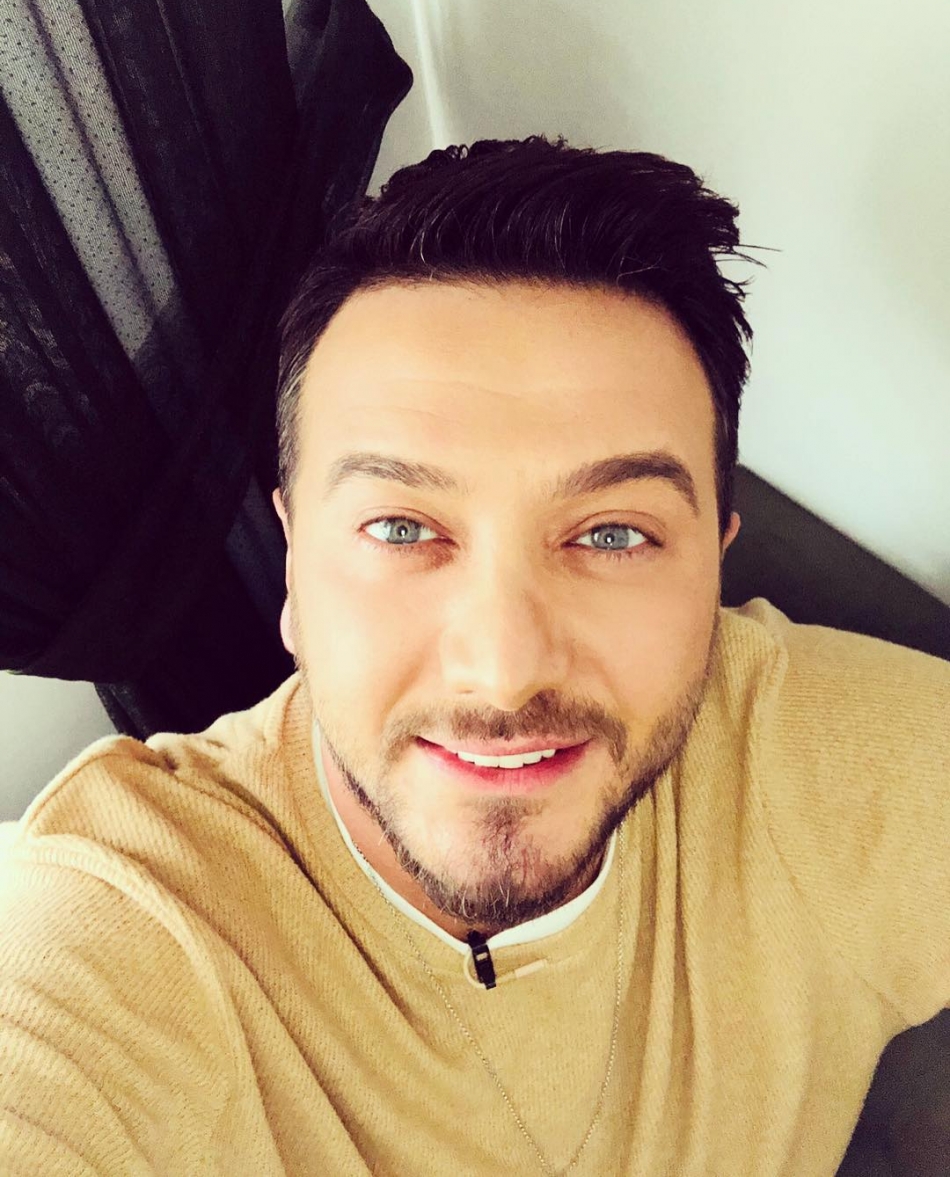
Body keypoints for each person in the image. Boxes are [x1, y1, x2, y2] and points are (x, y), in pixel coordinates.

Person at [1, 135, 947, 1177]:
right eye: (401, 528)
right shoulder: (129, 926)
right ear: (295, 568)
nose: (503, 671)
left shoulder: (819, 767)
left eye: (613, 533)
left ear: (711, 569)